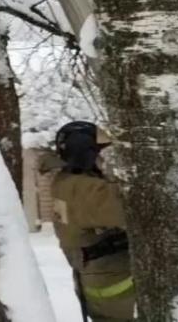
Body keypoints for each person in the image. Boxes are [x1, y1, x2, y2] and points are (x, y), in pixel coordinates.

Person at [47, 121, 135, 321]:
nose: (104, 159)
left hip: (103, 281)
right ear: (85, 153)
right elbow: (131, 207)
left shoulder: (68, 183)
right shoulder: (82, 189)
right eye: (100, 153)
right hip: (115, 284)